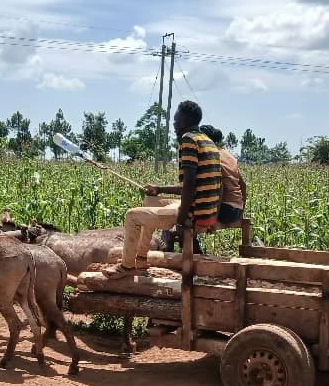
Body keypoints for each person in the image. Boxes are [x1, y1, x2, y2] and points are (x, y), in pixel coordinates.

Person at [104, 101, 221, 278]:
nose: (174, 123)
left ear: (185, 119)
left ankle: (127, 267)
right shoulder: (207, 141)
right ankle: (141, 259)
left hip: (194, 213)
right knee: (150, 201)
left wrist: (182, 220)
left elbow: (189, 184)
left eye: (176, 119)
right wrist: (158, 189)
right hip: (205, 210)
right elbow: (196, 185)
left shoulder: (188, 140)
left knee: (132, 216)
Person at [160, 124, 244, 253]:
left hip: (222, 210)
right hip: (235, 210)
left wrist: (213, 217)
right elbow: (243, 185)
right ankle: (193, 248)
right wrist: (241, 210)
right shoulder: (229, 156)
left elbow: (213, 188)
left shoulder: (209, 155)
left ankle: (173, 248)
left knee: (177, 212)